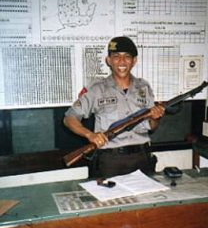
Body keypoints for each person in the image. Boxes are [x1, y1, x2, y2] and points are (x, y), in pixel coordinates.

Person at [63, 36, 165, 178]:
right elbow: (69, 118)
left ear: (134, 61)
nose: (122, 61)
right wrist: (90, 135)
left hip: (142, 157)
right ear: (108, 60)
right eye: (116, 56)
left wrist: (156, 118)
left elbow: (152, 127)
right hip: (110, 161)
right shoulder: (97, 89)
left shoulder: (144, 87)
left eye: (127, 56)